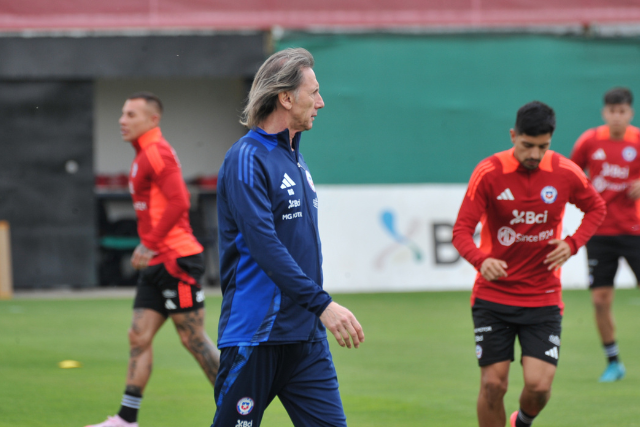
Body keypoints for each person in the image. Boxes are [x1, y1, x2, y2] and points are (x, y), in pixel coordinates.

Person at [212, 48, 365, 427]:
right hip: (256, 334)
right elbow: (264, 244)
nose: (321, 102)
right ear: (285, 97)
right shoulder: (245, 157)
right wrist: (322, 304)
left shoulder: (297, 160)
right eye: (313, 92)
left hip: (306, 338)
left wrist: (314, 311)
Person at [452, 101, 606, 427]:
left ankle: (520, 422)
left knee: (538, 387)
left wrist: (572, 242)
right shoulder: (489, 172)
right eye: (527, 146)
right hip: (493, 298)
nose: (535, 154)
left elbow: (596, 208)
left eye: (543, 147)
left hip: (543, 297)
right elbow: (461, 231)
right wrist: (481, 260)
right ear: (513, 136)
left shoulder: (564, 171)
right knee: (493, 385)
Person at [86, 92, 220, 427]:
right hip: (156, 261)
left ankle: (241, 410)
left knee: (193, 338)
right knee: (139, 337)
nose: (122, 120)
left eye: (131, 114)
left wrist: (150, 243)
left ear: (153, 119)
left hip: (177, 260)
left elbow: (179, 202)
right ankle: (126, 419)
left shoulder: (157, 152)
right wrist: (149, 247)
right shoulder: (144, 154)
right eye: (122, 113)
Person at [570, 87, 640, 382]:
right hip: (599, 232)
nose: (616, 117)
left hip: (635, 231)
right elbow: (571, 174)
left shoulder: (637, 140)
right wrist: (586, 194)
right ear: (604, 113)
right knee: (600, 300)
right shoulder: (589, 140)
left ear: (630, 113)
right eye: (612, 111)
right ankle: (613, 362)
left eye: (622, 111)